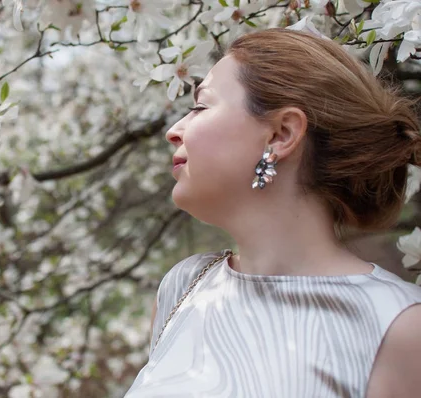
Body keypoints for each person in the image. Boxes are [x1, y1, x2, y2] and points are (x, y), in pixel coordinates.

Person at [124, 28, 421, 398]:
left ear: (281, 134)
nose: (173, 130)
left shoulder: (397, 326)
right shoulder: (184, 287)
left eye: (201, 107)